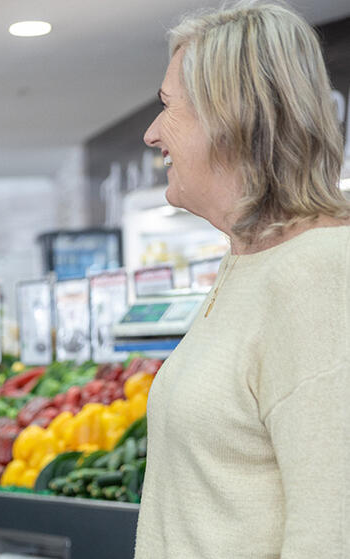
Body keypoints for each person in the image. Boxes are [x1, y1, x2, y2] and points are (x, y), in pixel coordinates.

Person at [135, 2, 350, 557]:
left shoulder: (318, 273)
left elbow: (332, 531)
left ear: (230, 117)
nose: (151, 133)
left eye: (166, 107)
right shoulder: (248, 260)